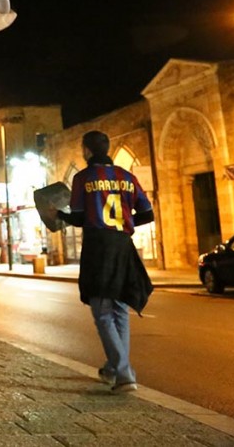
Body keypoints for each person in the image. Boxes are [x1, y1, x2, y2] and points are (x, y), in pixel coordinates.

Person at [54, 130, 154, 393]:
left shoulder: (83, 178)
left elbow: (77, 217)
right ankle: (113, 368)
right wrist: (127, 221)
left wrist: (58, 215)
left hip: (98, 247)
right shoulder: (127, 177)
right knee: (120, 309)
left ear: (86, 150)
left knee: (102, 311)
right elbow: (148, 213)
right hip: (123, 246)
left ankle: (124, 374)